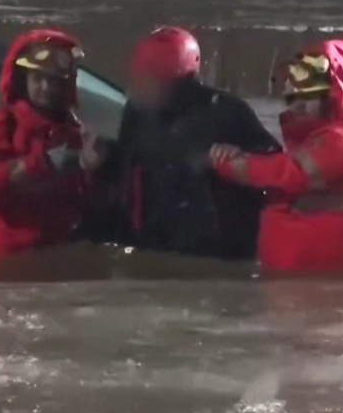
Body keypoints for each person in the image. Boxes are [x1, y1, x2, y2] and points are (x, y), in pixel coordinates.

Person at [99, 26, 282, 260]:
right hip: (152, 248)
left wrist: (241, 156)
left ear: (179, 83)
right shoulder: (136, 113)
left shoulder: (225, 112)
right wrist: (103, 158)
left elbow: (274, 161)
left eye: (150, 80)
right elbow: (126, 171)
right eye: (139, 78)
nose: (139, 87)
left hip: (215, 255)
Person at [208, 39, 343, 277]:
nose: (297, 105)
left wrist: (234, 166)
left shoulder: (341, 139)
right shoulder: (310, 142)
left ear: (329, 96)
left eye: (306, 97)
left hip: (327, 290)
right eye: (292, 98)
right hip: (297, 287)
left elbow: (294, 173)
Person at [0, 28, 102, 262]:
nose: (46, 88)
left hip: (55, 253)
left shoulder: (73, 129)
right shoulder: (1, 123)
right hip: (7, 259)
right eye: (38, 79)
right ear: (22, 79)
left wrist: (93, 168)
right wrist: (42, 163)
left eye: (54, 81)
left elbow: (80, 196)